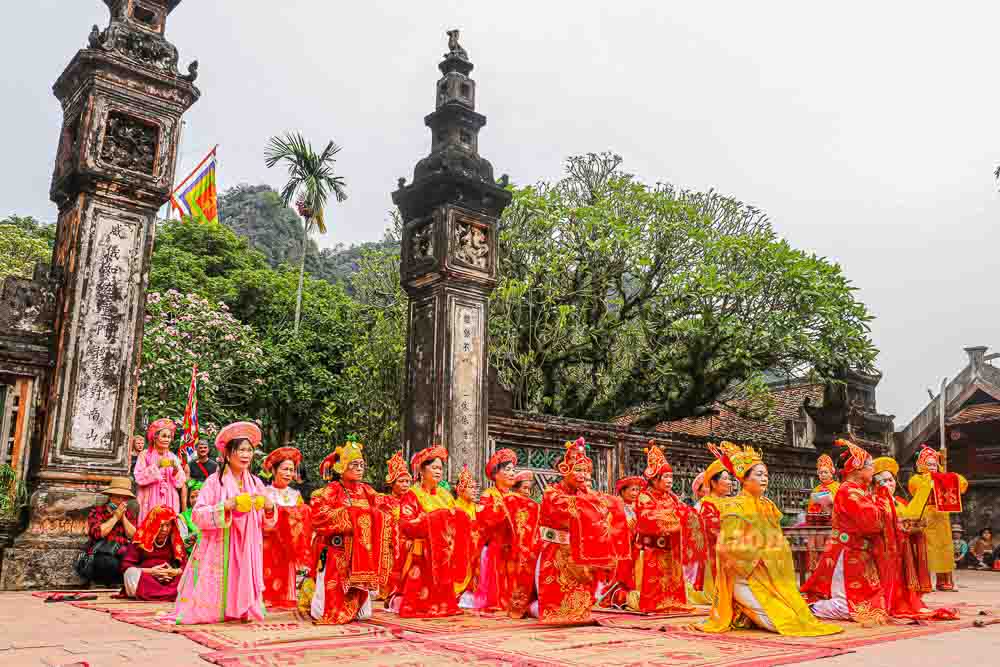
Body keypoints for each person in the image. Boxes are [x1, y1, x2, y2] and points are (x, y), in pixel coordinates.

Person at [698, 442, 841, 637]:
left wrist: (774, 552)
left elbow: (776, 539)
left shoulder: (768, 506)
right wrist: (762, 552)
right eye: (758, 474)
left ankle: (747, 611)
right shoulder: (734, 506)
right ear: (744, 479)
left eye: (765, 474)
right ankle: (739, 605)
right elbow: (727, 547)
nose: (764, 478)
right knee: (781, 622)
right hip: (744, 576)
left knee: (798, 616)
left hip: (768, 573)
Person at [169, 422, 277, 625]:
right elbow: (197, 516)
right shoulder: (213, 482)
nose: (246, 455)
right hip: (221, 545)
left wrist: (270, 508)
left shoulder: (256, 483)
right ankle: (218, 609)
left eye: (249, 450)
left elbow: (267, 523)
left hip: (248, 546)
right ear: (228, 454)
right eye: (241, 450)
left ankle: (243, 608)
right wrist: (226, 506)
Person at [536, 438, 627, 625]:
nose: (583, 475)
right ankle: (556, 614)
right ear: (565, 470)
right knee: (557, 585)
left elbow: (607, 504)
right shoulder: (552, 493)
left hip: (581, 551)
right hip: (557, 550)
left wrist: (604, 503)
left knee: (582, 585)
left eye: (586, 471)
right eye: (578, 470)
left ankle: (580, 613)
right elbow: (567, 510)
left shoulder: (586, 495)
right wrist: (591, 503)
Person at [802, 439, 890, 624]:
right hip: (847, 551)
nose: (873, 471)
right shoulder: (848, 492)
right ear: (858, 469)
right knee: (847, 607)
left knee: (871, 602)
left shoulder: (858, 491)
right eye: (871, 466)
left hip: (859, 552)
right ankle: (808, 609)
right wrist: (883, 501)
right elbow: (871, 522)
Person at [310, 438, 390, 624]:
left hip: (361, 553)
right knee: (326, 608)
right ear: (342, 467)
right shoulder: (333, 489)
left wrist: (373, 516)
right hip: (338, 551)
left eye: (362, 464)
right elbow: (318, 512)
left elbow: (386, 507)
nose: (360, 468)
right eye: (354, 464)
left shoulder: (367, 490)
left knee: (364, 615)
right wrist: (351, 516)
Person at [872, 456, 957, 620]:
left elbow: (909, 517)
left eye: (891, 480)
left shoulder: (899, 501)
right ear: (875, 485)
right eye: (884, 481)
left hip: (904, 546)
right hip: (886, 550)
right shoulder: (877, 501)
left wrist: (916, 525)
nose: (889, 484)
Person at [394, 445, 468, 618]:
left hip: (443, 550)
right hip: (422, 550)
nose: (438, 472)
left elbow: (454, 520)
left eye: (440, 468)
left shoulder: (445, 495)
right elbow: (406, 525)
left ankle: (443, 604)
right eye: (434, 467)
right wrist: (430, 520)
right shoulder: (412, 495)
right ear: (422, 469)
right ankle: (414, 603)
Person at [472, 449, 539, 618]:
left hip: (515, 548)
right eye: (507, 469)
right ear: (495, 473)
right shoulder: (489, 495)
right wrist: (504, 508)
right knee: (499, 581)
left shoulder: (514, 496)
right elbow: (484, 519)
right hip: (497, 548)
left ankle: (517, 605)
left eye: (513, 470)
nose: (511, 473)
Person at [629, 443, 694, 613]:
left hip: (671, 547)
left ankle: (674, 602)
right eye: (665, 477)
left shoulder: (672, 498)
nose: (670, 481)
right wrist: (675, 518)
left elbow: (685, 514)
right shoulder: (644, 496)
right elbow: (648, 519)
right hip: (654, 547)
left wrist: (680, 517)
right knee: (655, 578)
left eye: (671, 477)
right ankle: (653, 604)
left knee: (673, 577)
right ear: (654, 478)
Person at [907, 446, 969, 591]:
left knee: (945, 549)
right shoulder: (916, 479)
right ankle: (925, 582)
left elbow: (962, 484)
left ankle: (944, 581)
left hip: (942, 516)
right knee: (926, 550)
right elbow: (916, 489)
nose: (932, 467)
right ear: (922, 464)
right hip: (926, 517)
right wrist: (935, 479)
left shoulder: (943, 477)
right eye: (929, 464)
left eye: (934, 464)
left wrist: (948, 477)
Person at [262, 447, 312, 610]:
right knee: (268, 569)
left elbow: (302, 519)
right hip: (269, 541)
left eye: (291, 470)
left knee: (287, 570)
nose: (288, 473)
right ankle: (266, 598)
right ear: (274, 470)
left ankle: (286, 597)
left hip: (289, 542)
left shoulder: (295, 494)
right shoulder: (265, 492)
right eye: (284, 469)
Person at [687, 456, 732, 606]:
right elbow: (711, 527)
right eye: (725, 479)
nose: (730, 482)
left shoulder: (731, 502)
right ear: (713, 483)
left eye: (729, 478)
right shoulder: (704, 505)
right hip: (712, 550)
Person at [78, 477, 138, 587]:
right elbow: (98, 533)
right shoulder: (97, 511)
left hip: (122, 552)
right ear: (110, 496)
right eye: (117, 497)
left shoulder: (129, 514)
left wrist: (123, 517)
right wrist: (115, 517)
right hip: (101, 553)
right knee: (108, 563)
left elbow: (134, 535)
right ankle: (101, 583)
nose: (120, 501)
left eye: (124, 498)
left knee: (131, 561)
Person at [119, 505, 187, 601]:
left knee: (188, 576)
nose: (164, 529)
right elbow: (125, 566)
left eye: (168, 525)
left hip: (168, 579)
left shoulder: (174, 539)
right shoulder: (141, 537)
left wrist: (173, 572)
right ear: (153, 523)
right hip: (147, 579)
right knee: (130, 574)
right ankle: (170, 595)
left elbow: (185, 566)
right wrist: (152, 571)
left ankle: (159, 594)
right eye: (161, 525)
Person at [376, 450, 412, 603]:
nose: (405, 485)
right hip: (390, 546)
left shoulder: (412, 501)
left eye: (407, 481)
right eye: (401, 481)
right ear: (392, 483)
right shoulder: (383, 501)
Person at [134, 418, 186, 522]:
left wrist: (175, 469)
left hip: (169, 497)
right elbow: (139, 477)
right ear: (155, 437)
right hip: (149, 497)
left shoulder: (173, 457)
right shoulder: (144, 455)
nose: (167, 439)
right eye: (164, 436)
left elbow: (180, 482)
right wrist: (156, 465)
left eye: (169, 437)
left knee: (167, 526)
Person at [453, 464, 481, 606]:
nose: (474, 491)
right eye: (471, 487)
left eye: (475, 487)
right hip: (461, 549)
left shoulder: (477, 508)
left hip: (475, 550)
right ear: (460, 489)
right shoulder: (454, 507)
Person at [177, 480, 202, 554]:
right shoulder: (183, 516)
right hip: (190, 556)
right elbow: (182, 544)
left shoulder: (211, 514)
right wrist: (195, 535)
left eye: (198, 496)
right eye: (192, 497)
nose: (195, 500)